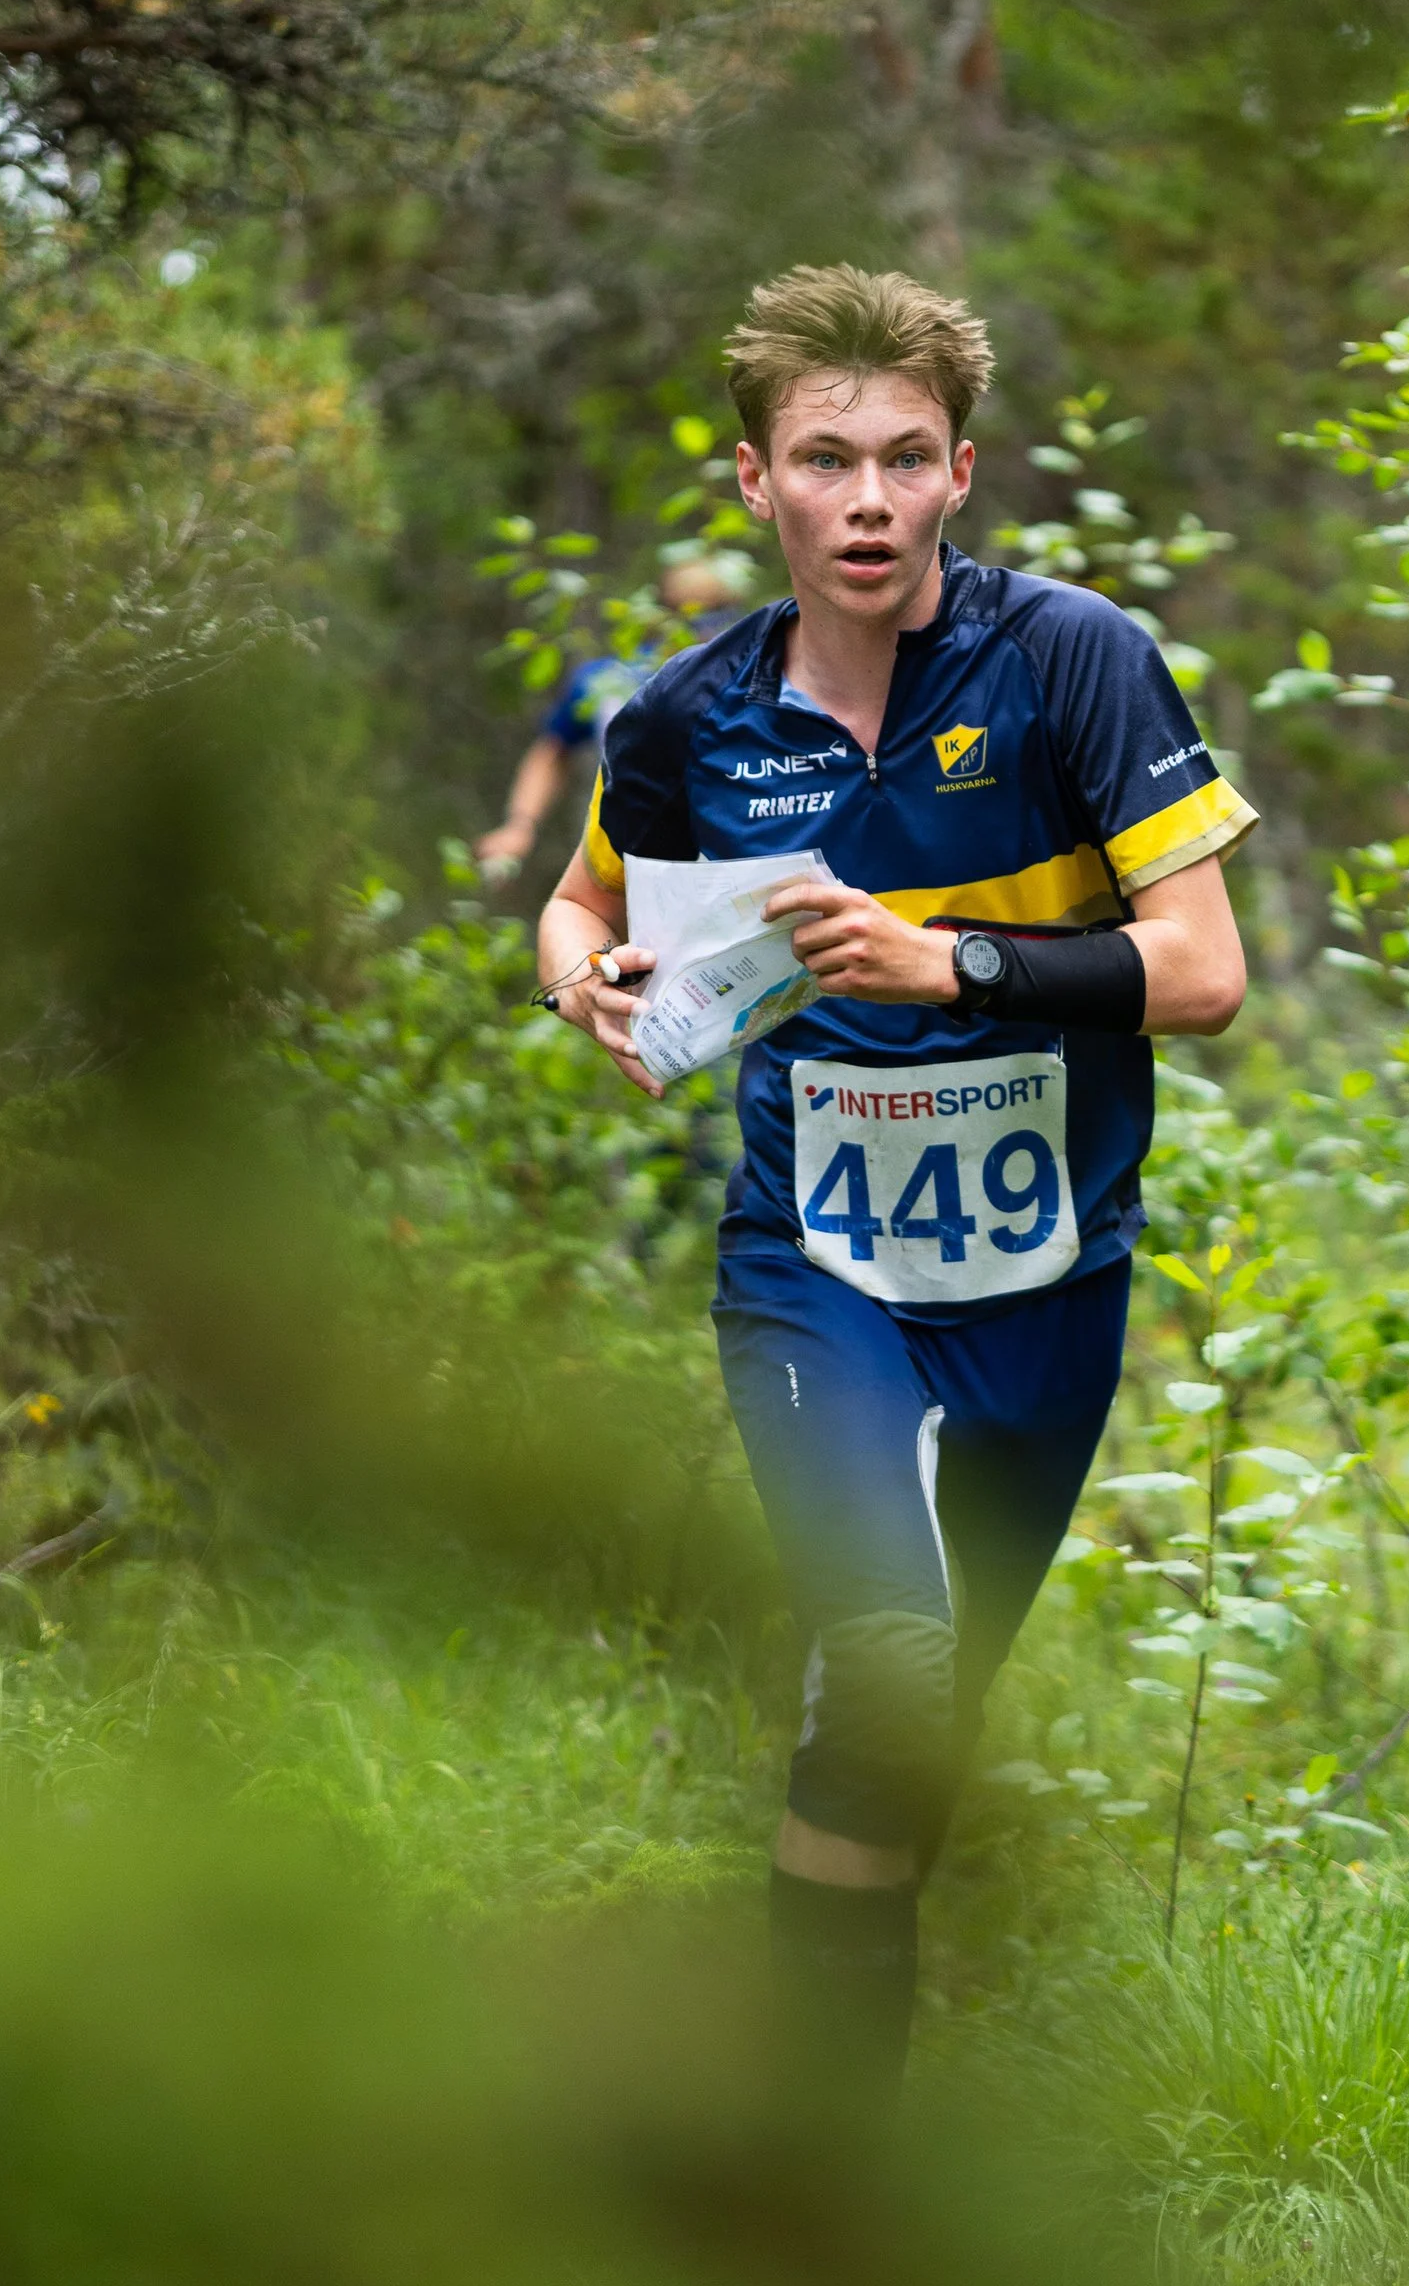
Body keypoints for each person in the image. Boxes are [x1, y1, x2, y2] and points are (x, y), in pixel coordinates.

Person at [533, 265, 1253, 2105]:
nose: (867, 498)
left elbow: (1205, 975)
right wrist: (579, 977)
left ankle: (834, 2059)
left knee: (916, 1730)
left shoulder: (1068, 661)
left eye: (906, 459)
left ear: (961, 477)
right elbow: (588, 901)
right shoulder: (689, 720)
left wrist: (954, 964)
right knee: (890, 1656)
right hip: (817, 1267)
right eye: (827, 459)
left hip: (1046, 1271)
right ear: (758, 485)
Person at [475, 555, 738, 883]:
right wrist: (520, 825)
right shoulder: (609, 682)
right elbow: (553, 750)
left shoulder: (752, 670)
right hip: (634, 853)